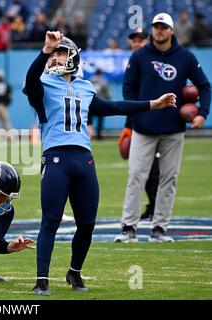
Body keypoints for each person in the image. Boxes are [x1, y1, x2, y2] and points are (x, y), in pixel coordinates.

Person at [23, 30, 177, 295]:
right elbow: (30, 78)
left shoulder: (85, 87)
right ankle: (42, 280)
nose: (56, 59)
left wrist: (154, 104)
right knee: (50, 221)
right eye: (54, 55)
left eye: (61, 53)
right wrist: (46, 49)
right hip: (56, 158)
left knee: (87, 224)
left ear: (72, 58)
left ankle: (74, 272)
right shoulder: (43, 84)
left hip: (84, 160)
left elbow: (115, 107)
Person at [114, 13, 211, 243]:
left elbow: (204, 86)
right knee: (136, 176)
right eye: (156, 27)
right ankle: (129, 227)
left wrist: (202, 114)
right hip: (144, 128)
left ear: (171, 30)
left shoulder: (185, 57)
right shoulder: (139, 56)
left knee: (169, 178)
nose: (159, 31)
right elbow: (128, 89)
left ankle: (160, 228)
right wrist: (136, 113)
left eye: (164, 27)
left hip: (174, 128)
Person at [119, 28, 159, 221]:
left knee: (154, 169)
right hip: (139, 122)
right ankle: (152, 205)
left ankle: (156, 206)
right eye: (134, 41)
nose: (136, 44)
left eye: (140, 40)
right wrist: (128, 126)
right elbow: (131, 99)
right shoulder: (134, 63)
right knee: (140, 169)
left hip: (157, 121)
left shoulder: (154, 62)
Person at [88, 68, 111, 139]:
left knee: (89, 119)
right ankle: (99, 135)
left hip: (91, 102)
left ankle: (89, 134)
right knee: (100, 120)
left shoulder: (90, 80)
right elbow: (107, 93)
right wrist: (108, 98)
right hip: (101, 102)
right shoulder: (104, 80)